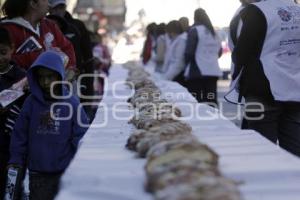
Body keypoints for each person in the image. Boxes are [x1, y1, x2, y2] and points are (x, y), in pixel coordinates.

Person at [8, 50, 89, 200]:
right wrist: (16, 160)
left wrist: (82, 164)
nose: (45, 82)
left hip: (65, 172)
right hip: (38, 175)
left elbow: (81, 135)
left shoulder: (71, 103)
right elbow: (20, 135)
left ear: (59, 75)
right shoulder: (31, 103)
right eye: (41, 77)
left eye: (50, 77)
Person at [233, 0, 300, 157]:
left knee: (261, 154)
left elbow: (241, 54)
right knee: (295, 154)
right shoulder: (296, 9)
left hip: (262, 90)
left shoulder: (256, 11)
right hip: (295, 89)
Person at [0, 0, 76, 82]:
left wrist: (70, 69)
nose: (49, 4)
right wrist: (38, 57)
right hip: (20, 90)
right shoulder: (7, 29)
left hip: (54, 88)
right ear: (33, 3)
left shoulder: (50, 25)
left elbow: (67, 48)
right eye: (45, 0)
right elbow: (5, 61)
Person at [48, 0, 97, 121]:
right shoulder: (43, 26)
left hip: (77, 81)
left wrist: (89, 88)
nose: (58, 11)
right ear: (49, 9)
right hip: (51, 83)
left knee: (82, 120)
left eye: (61, 7)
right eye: (55, 8)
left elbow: (88, 57)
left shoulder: (77, 26)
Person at [0, 26, 27, 200]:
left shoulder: (22, 78)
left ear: (12, 48)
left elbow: (28, 110)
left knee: (11, 193)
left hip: (12, 150)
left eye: (2, 52)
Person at [184, 8, 222, 105]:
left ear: (195, 17)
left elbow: (189, 52)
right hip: (213, 71)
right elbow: (219, 52)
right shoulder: (214, 32)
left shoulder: (194, 30)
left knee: (198, 103)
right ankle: (214, 119)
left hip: (197, 72)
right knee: (211, 101)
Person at [162, 21, 187, 86]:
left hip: (178, 75)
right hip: (173, 74)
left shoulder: (182, 40)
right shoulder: (176, 39)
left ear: (172, 31)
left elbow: (179, 62)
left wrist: (167, 77)